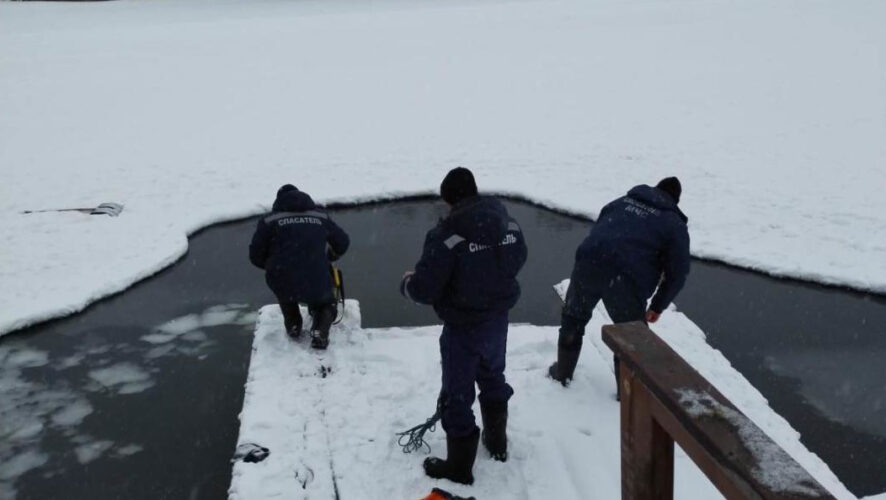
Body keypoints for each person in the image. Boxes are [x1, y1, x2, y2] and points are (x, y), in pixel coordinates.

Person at [400, 167, 527, 485]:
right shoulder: (507, 222)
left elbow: (425, 289)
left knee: (457, 394)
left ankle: (459, 467)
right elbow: (518, 257)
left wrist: (408, 284)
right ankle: (496, 442)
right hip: (497, 320)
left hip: (463, 326)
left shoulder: (445, 235)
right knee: (493, 376)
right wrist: (489, 279)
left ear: (449, 199)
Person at [548, 177, 690, 397]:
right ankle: (627, 397)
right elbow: (678, 273)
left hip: (589, 262)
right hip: (626, 277)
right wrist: (657, 306)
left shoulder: (621, 202)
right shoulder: (673, 224)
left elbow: (600, 229)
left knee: (573, 319)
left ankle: (562, 374)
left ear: (655, 188)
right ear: (675, 200)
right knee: (629, 337)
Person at [249, 184, 350, 349]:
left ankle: (293, 324)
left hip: (282, 276)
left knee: (285, 290)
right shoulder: (321, 217)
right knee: (326, 301)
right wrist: (330, 256)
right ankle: (320, 329)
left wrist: (273, 266)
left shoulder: (269, 221)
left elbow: (255, 255)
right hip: (316, 275)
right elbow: (343, 243)